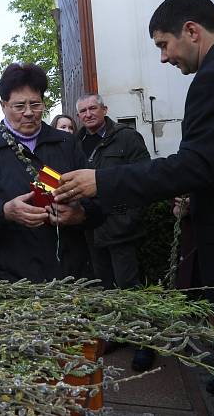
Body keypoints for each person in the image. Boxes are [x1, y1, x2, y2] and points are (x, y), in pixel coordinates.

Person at [54, 0, 214, 413]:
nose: (165, 58)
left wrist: (102, 182)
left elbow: (195, 164)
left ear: (191, 31)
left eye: (163, 45)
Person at [0, 63, 101, 283]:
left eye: (35, 104)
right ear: (3, 105)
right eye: (19, 106)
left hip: (71, 274)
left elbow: (98, 201)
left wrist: (80, 214)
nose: (29, 113)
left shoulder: (66, 144)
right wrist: (4, 211)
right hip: (13, 280)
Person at [75, 93, 154, 371]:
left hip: (121, 228)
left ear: (104, 109)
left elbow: (145, 177)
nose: (87, 114)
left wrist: (130, 218)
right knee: (106, 288)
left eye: (92, 108)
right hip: (92, 229)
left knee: (129, 288)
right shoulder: (77, 143)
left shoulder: (126, 137)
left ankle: (144, 342)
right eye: (82, 111)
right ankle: (115, 334)